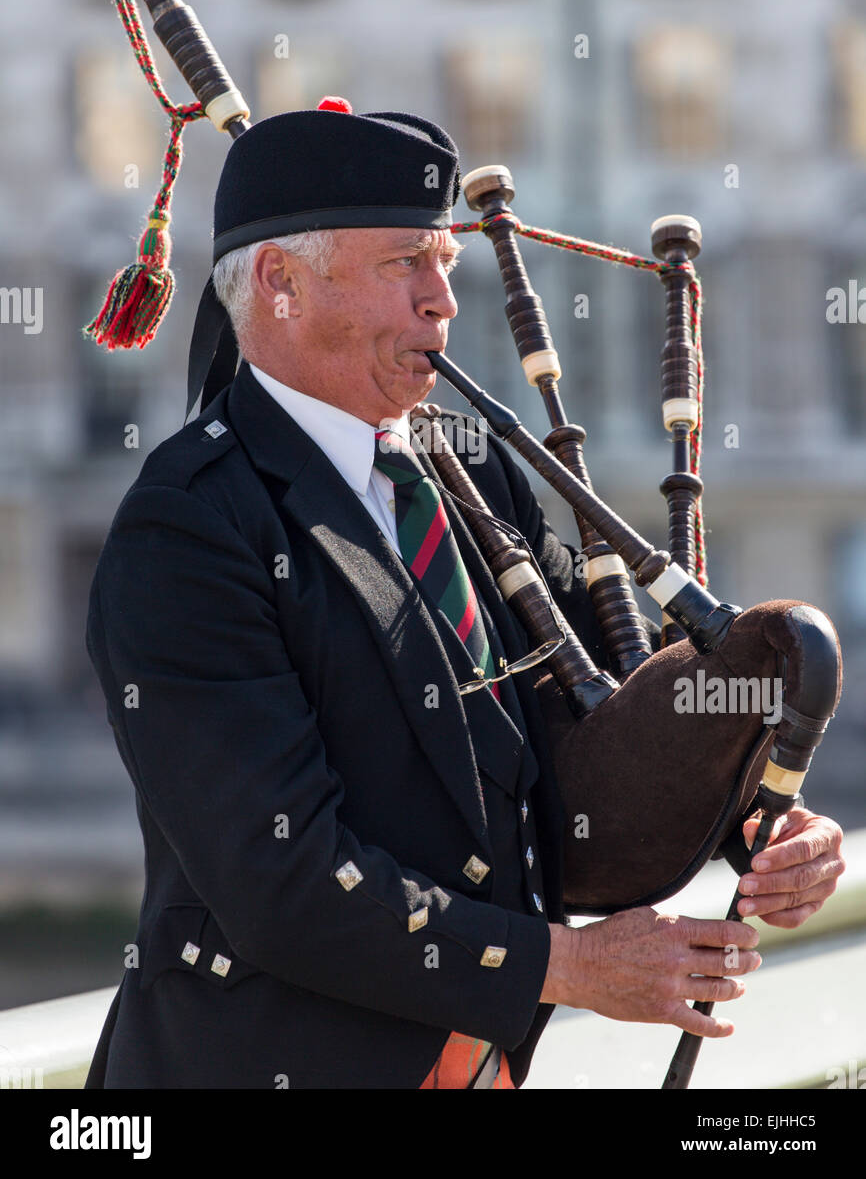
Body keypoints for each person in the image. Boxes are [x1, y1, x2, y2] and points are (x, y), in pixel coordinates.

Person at [84, 101, 844, 1089]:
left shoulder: (467, 474)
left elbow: (601, 711)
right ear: (278, 282)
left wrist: (755, 808)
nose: (444, 300)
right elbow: (279, 876)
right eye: (406, 263)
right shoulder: (189, 526)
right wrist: (562, 966)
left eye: (446, 261)